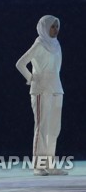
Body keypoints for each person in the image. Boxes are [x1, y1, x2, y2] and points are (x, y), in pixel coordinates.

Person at [16, 15, 68, 176]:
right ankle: (39, 165)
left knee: (54, 129)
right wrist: (32, 79)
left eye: (57, 26)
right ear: (45, 27)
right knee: (42, 127)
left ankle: (50, 164)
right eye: (53, 26)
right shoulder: (39, 44)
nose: (56, 30)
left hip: (57, 89)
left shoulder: (56, 44)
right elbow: (20, 63)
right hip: (41, 90)